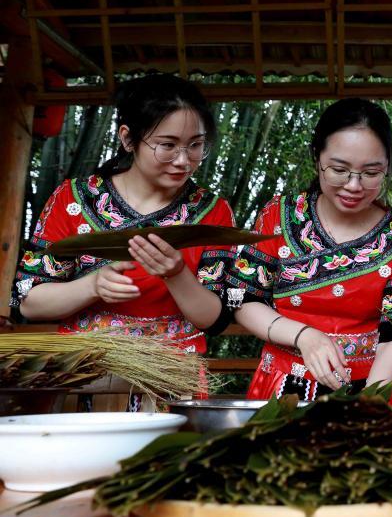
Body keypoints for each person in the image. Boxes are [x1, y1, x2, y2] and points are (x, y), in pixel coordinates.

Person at [12, 74, 234, 358]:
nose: (183, 160)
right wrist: (92, 286)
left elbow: (214, 318)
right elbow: (28, 302)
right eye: (167, 145)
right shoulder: (74, 199)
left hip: (172, 377)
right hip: (83, 372)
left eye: (195, 145)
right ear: (128, 139)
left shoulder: (212, 212)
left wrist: (176, 274)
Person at [227, 98, 392, 406]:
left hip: (369, 390)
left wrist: (371, 404)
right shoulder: (276, 216)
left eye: (371, 173)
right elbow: (242, 299)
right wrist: (304, 335)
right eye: (339, 170)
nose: (354, 185)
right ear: (316, 157)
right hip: (283, 391)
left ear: (387, 167)